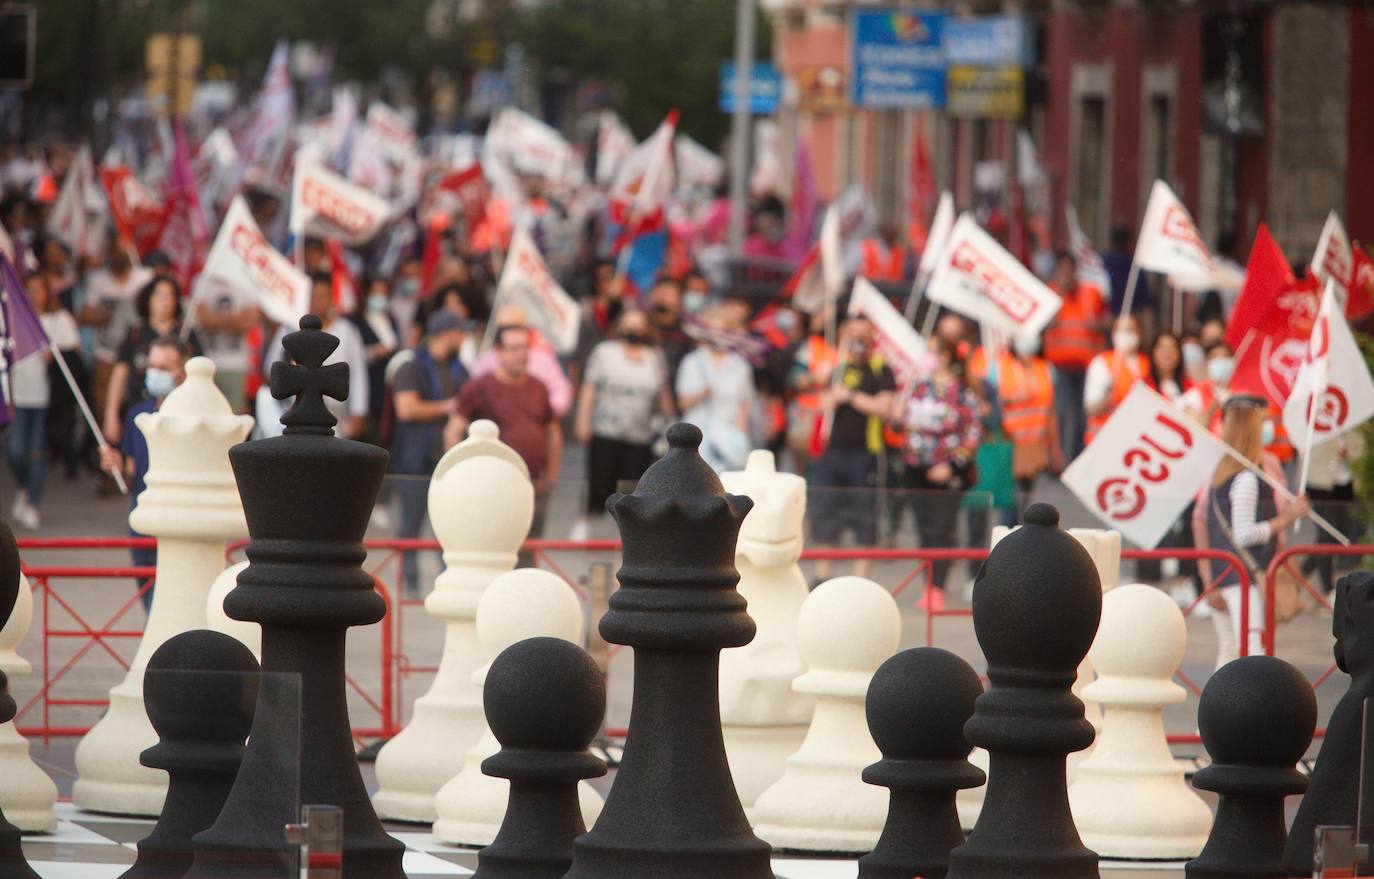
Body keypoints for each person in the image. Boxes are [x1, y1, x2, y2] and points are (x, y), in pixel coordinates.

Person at [1203, 395, 1309, 664]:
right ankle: (1246, 705)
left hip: (1228, 573)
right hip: (1243, 576)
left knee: (1232, 651)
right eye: (1261, 424)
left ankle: (1219, 705)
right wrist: (1287, 518)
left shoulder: (1222, 473)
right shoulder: (1247, 478)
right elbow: (1244, 533)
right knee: (1252, 652)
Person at [447, 324, 560, 562]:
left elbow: (553, 432)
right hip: (493, 491)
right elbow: (453, 431)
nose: (522, 354)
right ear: (499, 351)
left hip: (534, 488)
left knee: (529, 556)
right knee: (496, 556)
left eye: (525, 347)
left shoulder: (538, 387)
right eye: (514, 348)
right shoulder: (479, 386)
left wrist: (550, 477)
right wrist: (461, 477)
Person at [99, 336, 190, 611]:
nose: (155, 372)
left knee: (170, 611)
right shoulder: (138, 414)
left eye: (164, 367)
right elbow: (131, 473)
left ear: (181, 373)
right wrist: (114, 465)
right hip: (141, 527)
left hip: (178, 527)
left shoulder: (192, 417)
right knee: (150, 607)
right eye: (152, 365)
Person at [894, 336, 983, 611]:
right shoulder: (917, 388)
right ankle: (927, 585)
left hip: (948, 472)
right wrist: (896, 410)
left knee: (942, 529)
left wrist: (952, 465)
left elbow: (972, 432)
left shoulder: (962, 392)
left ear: (945, 356)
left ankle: (938, 587)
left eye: (932, 351)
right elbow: (900, 425)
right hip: (916, 470)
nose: (927, 356)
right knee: (924, 530)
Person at [390, 309, 471, 597]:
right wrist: (448, 406)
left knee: (447, 527)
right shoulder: (411, 366)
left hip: (447, 463)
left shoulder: (459, 369)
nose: (464, 338)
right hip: (414, 462)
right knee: (410, 527)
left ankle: (447, 585)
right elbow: (406, 408)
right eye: (460, 332)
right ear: (446, 334)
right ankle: (408, 586)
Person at [573, 308, 674, 537]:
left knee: (632, 488)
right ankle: (588, 529)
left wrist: (670, 422)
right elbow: (590, 387)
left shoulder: (654, 356)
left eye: (639, 324)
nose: (634, 329)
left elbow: (663, 392)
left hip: (639, 434)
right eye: (629, 323)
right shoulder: (605, 352)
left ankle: (624, 537)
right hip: (606, 430)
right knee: (599, 483)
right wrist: (583, 419)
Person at [810, 316, 896, 582]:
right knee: (824, 510)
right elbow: (818, 402)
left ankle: (861, 578)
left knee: (864, 513)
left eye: (864, 334)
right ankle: (822, 576)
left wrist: (850, 396)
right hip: (832, 451)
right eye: (853, 333)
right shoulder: (836, 367)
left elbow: (884, 407)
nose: (858, 339)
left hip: (865, 452)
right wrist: (829, 396)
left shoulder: (881, 369)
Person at [6, 273, 74, 530]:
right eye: (30, 289)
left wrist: (55, 358)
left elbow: (73, 357)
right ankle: (24, 488)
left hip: (46, 399)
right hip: (18, 396)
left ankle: (32, 501)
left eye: (39, 289)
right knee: (15, 449)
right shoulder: (12, 319)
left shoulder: (59, 320)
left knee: (36, 451)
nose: (35, 295)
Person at [103, 276, 199, 446]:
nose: (164, 301)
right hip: (139, 408)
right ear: (148, 300)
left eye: (169, 296)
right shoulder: (136, 334)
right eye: (159, 295)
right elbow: (119, 375)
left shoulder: (186, 335)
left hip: (179, 414)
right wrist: (111, 415)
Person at [80, 239, 153, 450]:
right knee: (106, 414)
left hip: (139, 358)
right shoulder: (98, 280)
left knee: (135, 412)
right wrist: (114, 315)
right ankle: (109, 470)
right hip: (106, 356)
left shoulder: (144, 278)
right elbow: (86, 314)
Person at [1042, 252, 1107, 462]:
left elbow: (1108, 320)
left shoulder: (1092, 293)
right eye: (1061, 270)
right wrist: (1059, 296)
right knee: (1062, 410)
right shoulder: (1049, 294)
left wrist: (1099, 324)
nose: (1066, 274)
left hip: (1086, 364)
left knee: (1082, 413)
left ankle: (1078, 455)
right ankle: (1063, 456)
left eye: (1069, 269)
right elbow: (1044, 324)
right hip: (1060, 365)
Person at [676, 310, 757, 473]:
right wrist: (702, 393)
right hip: (696, 439)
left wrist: (741, 438)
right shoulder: (692, 361)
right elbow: (682, 403)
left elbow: (744, 405)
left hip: (728, 441)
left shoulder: (740, 366)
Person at [996, 334, 1062, 502]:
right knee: (1011, 501)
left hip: (1035, 443)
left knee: (1025, 498)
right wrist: (1009, 399)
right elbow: (988, 401)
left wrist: (1055, 448)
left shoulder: (1046, 368)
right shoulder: (999, 367)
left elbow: (1050, 410)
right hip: (1007, 443)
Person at [347, 276, 401, 441]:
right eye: (376, 292)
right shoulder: (354, 321)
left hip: (387, 393)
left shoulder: (390, 320)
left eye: (384, 292)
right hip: (367, 389)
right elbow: (349, 355)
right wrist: (372, 353)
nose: (380, 296)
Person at [1083, 314, 1150, 446]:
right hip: (1105, 441)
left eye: (1131, 330)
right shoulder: (1102, 363)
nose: (1126, 335)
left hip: (1137, 442)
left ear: (1139, 333)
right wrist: (1108, 392)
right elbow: (1091, 409)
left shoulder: (1147, 363)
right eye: (1121, 330)